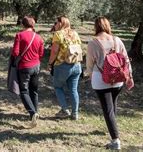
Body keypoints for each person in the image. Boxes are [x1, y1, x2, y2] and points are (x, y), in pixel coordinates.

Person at [86, 16, 134, 150]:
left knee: (107, 110)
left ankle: (115, 140)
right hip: (118, 79)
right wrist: (129, 76)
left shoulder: (93, 43)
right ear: (108, 26)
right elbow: (126, 60)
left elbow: (90, 64)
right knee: (112, 106)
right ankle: (113, 128)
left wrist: (90, 75)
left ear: (96, 26)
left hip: (100, 79)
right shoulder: (117, 40)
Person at [47, 16, 82, 120]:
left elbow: (54, 52)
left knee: (58, 87)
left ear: (61, 23)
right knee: (73, 89)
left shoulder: (58, 34)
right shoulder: (75, 33)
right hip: (76, 65)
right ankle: (75, 113)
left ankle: (64, 110)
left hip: (62, 65)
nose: (54, 25)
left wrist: (50, 63)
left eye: (56, 23)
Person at [11, 16, 44, 127]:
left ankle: (32, 112)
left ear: (23, 24)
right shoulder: (39, 37)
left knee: (24, 91)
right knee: (34, 90)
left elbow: (15, 53)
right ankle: (36, 112)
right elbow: (41, 53)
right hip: (36, 66)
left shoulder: (20, 35)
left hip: (24, 67)